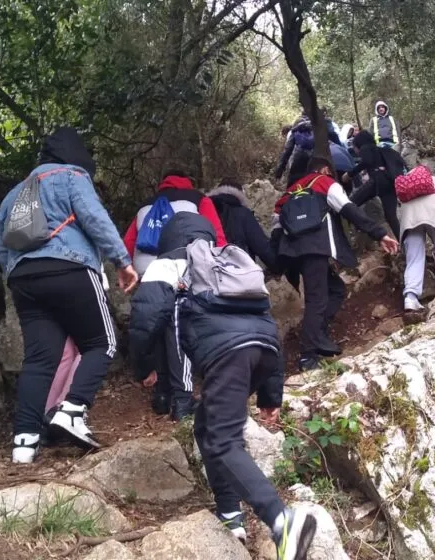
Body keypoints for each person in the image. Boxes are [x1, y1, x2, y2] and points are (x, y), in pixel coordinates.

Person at [129, 212, 317, 560]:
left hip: (226, 356)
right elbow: (266, 321)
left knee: (222, 440)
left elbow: (144, 317)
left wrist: (143, 367)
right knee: (206, 426)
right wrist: (270, 393)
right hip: (263, 351)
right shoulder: (232, 260)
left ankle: (282, 522)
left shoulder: (168, 263)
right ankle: (230, 513)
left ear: (170, 238)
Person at [0, 127, 138, 464]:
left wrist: (14, 274)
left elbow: (1, 245)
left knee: (39, 359)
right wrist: (122, 261)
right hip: (70, 269)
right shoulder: (71, 176)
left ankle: (24, 442)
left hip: (24, 279)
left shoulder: (15, 193)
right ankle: (71, 410)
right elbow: (94, 218)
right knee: (102, 343)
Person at [272, 156, 400, 370]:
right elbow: (349, 209)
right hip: (315, 249)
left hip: (292, 254)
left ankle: (317, 333)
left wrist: (275, 264)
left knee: (336, 290)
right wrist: (379, 233)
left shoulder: (288, 193)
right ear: (324, 170)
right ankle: (308, 355)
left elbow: (276, 230)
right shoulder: (324, 183)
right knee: (317, 299)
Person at [122, 170, 227, 419]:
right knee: (178, 326)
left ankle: (161, 394)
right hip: (181, 264)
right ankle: (182, 396)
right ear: (187, 181)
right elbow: (216, 234)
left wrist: (126, 271)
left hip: (147, 269)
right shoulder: (197, 199)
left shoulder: (145, 206)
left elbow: (128, 241)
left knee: (156, 326)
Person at [398, 178, 435, 312]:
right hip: (434, 213)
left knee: (414, 258)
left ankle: (411, 297)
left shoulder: (405, 185)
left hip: (410, 218)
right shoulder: (431, 180)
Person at [344, 129, 407, 237]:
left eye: (354, 147)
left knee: (350, 204)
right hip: (390, 183)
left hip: (377, 182)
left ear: (359, 144)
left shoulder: (366, 148)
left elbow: (366, 162)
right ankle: (405, 245)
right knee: (391, 216)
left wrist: (349, 174)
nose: (355, 150)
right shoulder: (381, 150)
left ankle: (354, 233)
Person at [208, 178, 279, 272]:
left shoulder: (205, 212)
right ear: (240, 194)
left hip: (212, 273)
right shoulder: (243, 213)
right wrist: (278, 267)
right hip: (241, 272)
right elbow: (261, 247)